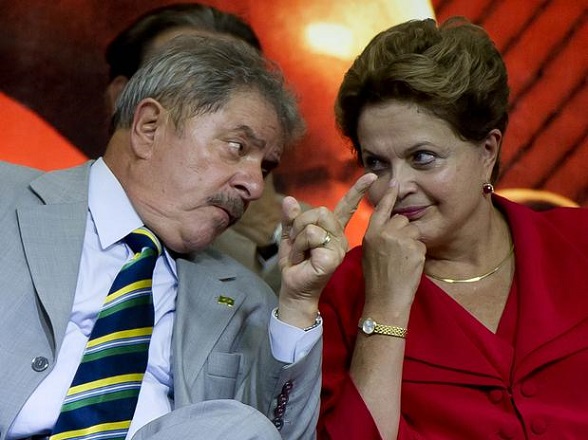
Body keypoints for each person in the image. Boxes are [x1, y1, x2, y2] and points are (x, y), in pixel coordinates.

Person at [0, 34, 373, 440]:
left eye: (265, 168)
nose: (253, 185)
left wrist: (298, 305)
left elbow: (281, 436)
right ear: (149, 127)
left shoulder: (245, 298)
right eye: (237, 147)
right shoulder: (8, 197)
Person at [318, 17, 588, 439]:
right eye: (377, 164)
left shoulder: (578, 240)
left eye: (422, 157)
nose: (397, 186)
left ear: (487, 151)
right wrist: (385, 309)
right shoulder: (344, 292)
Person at [104, 3, 290, 293]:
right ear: (148, 122)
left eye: (239, 80)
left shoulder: (298, 229)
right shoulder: (30, 203)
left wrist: (269, 237)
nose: (255, 186)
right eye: (194, 76)